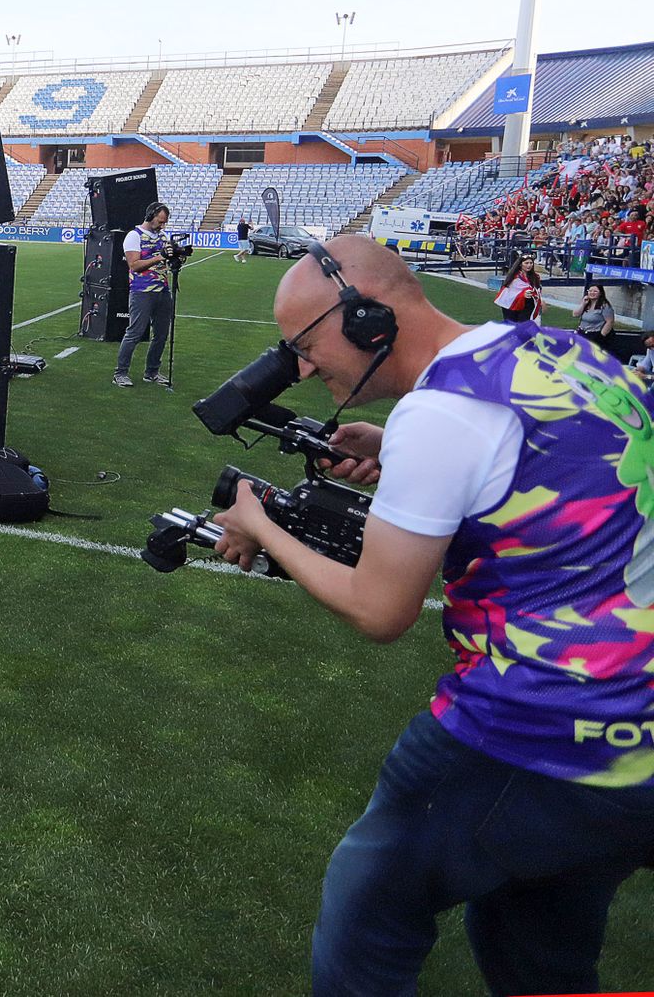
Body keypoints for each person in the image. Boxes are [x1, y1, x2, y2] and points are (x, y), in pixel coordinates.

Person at [213, 236, 654, 995]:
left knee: (367, 921)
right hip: (634, 741)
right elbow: (564, 457)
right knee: (535, 941)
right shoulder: (558, 349)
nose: (305, 369)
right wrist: (399, 448)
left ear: (367, 318)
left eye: (306, 346)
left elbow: (379, 608)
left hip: (537, 726)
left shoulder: (443, 413)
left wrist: (260, 524)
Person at [112, 202, 175, 388]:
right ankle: (120, 373)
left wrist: (176, 257)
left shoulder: (163, 236)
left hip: (163, 290)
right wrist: (159, 257)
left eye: (164, 222)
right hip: (141, 291)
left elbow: (167, 261)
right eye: (160, 221)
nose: (162, 225)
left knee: (161, 334)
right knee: (135, 333)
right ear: (150, 216)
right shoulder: (134, 236)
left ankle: (152, 372)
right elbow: (134, 265)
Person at [493, 252, 544, 323]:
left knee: (524, 324)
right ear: (520, 264)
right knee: (511, 325)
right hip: (512, 305)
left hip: (528, 304)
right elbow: (509, 293)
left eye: (531, 263)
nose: (529, 265)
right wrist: (522, 294)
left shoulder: (535, 277)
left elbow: (537, 290)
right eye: (526, 263)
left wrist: (540, 300)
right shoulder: (514, 277)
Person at [573, 283, 615, 347]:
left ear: (600, 293)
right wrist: (583, 304)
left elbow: (610, 322)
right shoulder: (586, 303)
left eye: (595, 291)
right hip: (582, 333)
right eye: (590, 291)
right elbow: (575, 314)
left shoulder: (604, 306)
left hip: (594, 336)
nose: (592, 293)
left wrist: (601, 336)